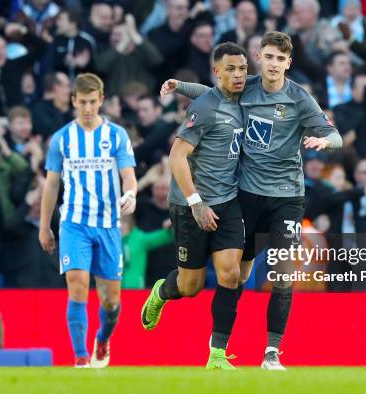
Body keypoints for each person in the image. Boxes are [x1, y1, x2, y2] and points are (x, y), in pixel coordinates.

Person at [161, 31, 342, 370]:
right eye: (268, 57)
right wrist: (181, 87)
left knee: (283, 273)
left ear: (289, 63)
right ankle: (219, 349)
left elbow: (334, 134)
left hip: (288, 197)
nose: (273, 64)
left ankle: (271, 353)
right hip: (246, 194)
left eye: (280, 59)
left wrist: (324, 143)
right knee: (236, 276)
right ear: (260, 58)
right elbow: (216, 95)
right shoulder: (249, 87)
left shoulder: (301, 99)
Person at [141, 42, 248, 370]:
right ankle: (162, 291)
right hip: (191, 205)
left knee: (231, 274)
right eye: (230, 69)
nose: (239, 75)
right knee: (191, 286)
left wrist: (182, 85)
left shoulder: (241, 99)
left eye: (242, 68)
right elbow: (176, 157)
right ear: (218, 72)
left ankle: (217, 353)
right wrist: (196, 203)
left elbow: (214, 93)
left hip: (228, 201)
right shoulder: (203, 110)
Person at [39, 73, 137, 368]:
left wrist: (131, 194)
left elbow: (128, 175)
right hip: (74, 223)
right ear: (74, 101)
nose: (87, 108)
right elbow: (52, 185)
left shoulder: (117, 135)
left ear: (101, 101)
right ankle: (80, 356)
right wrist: (45, 226)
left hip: (108, 224)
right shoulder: (62, 139)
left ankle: (103, 340)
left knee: (110, 301)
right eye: (82, 102)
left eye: (93, 102)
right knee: (78, 283)